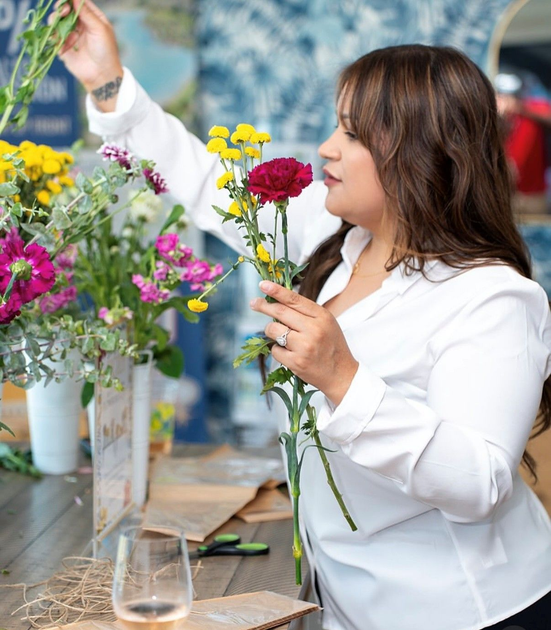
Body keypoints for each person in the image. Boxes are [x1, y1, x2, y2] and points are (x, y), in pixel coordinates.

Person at [58, 2, 551, 629]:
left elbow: (480, 485)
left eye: (351, 133)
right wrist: (107, 83)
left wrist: (342, 377)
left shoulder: (493, 299)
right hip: (349, 602)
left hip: (464, 611)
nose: (326, 148)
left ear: (420, 154)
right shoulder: (333, 236)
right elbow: (211, 186)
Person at [495, 72, 551, 215]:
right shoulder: (493, 118)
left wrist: (519, 107)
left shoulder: (530, 111)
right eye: (501, 95)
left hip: (534, 194)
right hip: (506, 195)